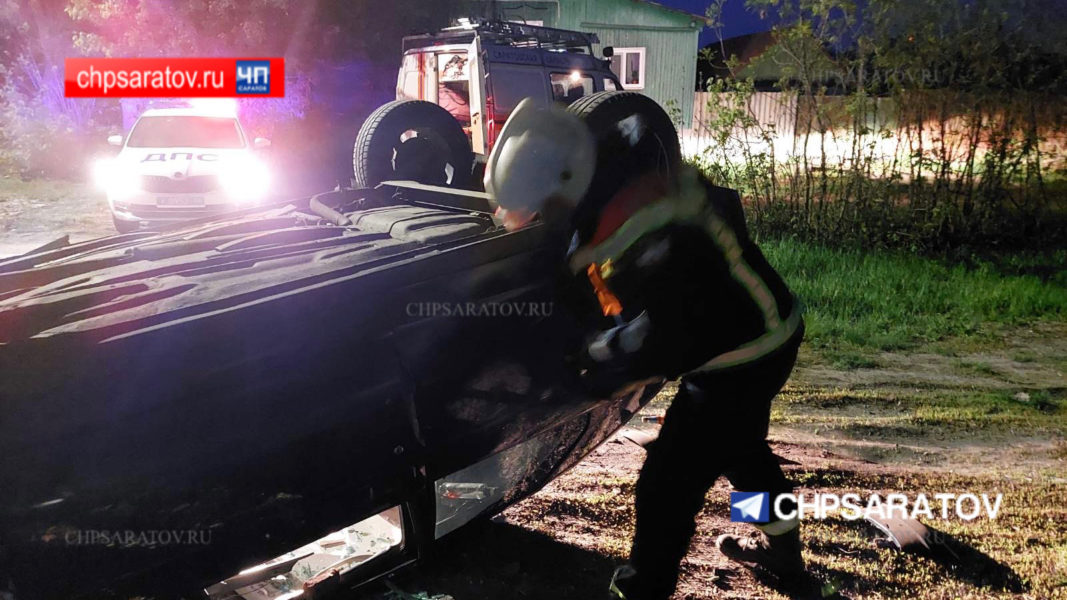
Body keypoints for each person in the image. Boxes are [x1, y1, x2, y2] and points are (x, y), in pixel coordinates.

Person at [484, 98, 806, 600]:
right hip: (760, 330)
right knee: (743, 454)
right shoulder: (616, 171)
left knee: (666, 486)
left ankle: (643, 589)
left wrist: (591, 364)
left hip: (741, 354)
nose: (539, 220)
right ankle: (784, 553)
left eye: (541, 209)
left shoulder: (649, 238)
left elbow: (656, 344)